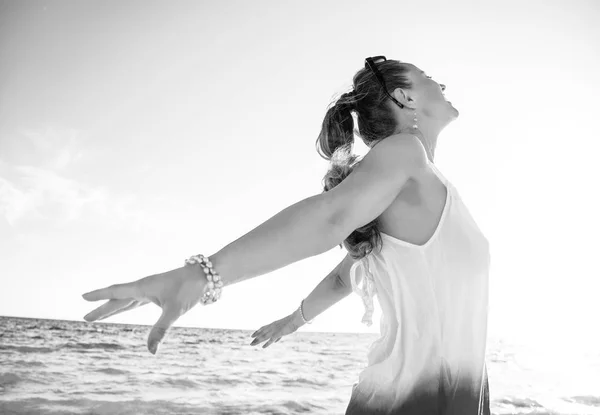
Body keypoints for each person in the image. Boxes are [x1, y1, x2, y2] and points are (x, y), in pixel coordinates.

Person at [82, 56, 491, 414]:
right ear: (406, 98)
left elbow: (344, 275)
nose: (440, 84)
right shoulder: (405, 152)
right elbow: (331, 217)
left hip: (445, 395)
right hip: (411, 401)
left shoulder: (416, 183)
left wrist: (293, 320)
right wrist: (204, 275)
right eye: (428, 77)